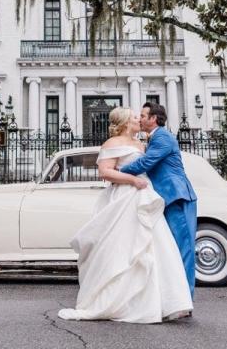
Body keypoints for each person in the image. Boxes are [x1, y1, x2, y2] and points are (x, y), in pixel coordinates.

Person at [57, 107, 192, 324]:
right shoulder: (112, 144)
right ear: (125, 122)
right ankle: (118, 300)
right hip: (124, 197)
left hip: (144, 197)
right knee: (122, 248)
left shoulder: (141, 144)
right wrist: (132, 180)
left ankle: (160, 302)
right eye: (135, 117)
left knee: (154, 248)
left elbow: (148, 166)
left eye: (140, 116)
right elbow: (105, 172)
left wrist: (140, 181)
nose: (139, 119)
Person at [120, 102, 198, 297]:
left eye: (143, 115)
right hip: (166, 197)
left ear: (153, 119)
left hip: (176, 196)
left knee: (184, 248)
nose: (140, 118)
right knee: (171, 249)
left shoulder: (162, 137)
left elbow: (147, 162)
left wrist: (119, 171)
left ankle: (186, 297)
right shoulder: (154, 138)